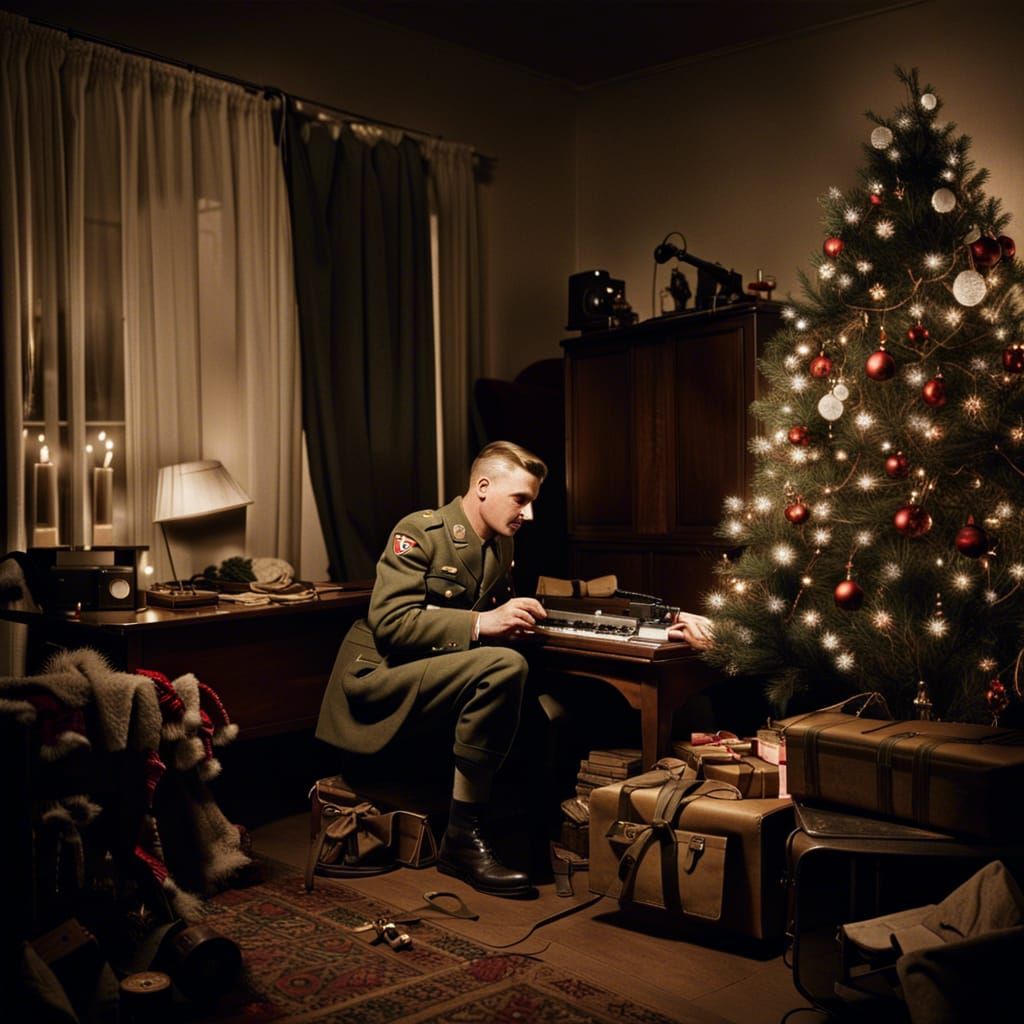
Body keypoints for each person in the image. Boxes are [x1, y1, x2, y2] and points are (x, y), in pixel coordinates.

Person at [316, 441, 548, 898]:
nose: (529, 513)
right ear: (483, 487)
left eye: (532, 501)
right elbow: (391, 624)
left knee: (544, 693)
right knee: (505, 666)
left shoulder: (502, 542)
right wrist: (482, 624)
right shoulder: (420, 532)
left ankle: (525, 827)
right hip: (383, 675)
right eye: (521, 499)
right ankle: (461, 839)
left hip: (437, 669)